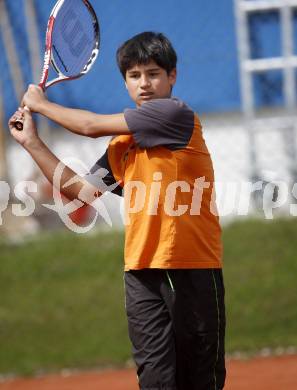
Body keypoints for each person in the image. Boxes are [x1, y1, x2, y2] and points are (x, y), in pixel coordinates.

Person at [9, 31, 226, 390]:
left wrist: (41, 103)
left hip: (190, 269)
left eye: (154, 73)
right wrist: (32, 142)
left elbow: (89, 126)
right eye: (135, 76)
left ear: (172, 77)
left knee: (199, 381)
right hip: (140, 274)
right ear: (125, 82)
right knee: (155, 381)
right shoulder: (122, 145)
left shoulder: (174, 114)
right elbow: (78, 192)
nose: (145, 84)